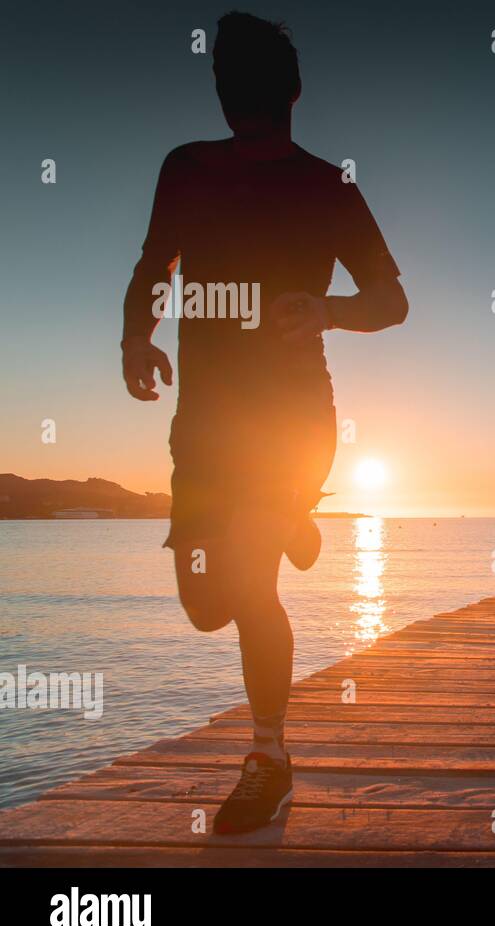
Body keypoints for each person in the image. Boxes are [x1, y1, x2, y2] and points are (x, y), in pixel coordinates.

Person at [120, 11, 408, 833]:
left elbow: (392, 300)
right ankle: (291, 519)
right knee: (206, 604)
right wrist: (134, 336)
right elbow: (152, 264)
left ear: (283, 92)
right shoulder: (186, 169)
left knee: (248, 587)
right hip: (204, 428)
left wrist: (325, 308)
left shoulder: (329, 186)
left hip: (290, 424)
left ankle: (269, 757)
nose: (236, 94)